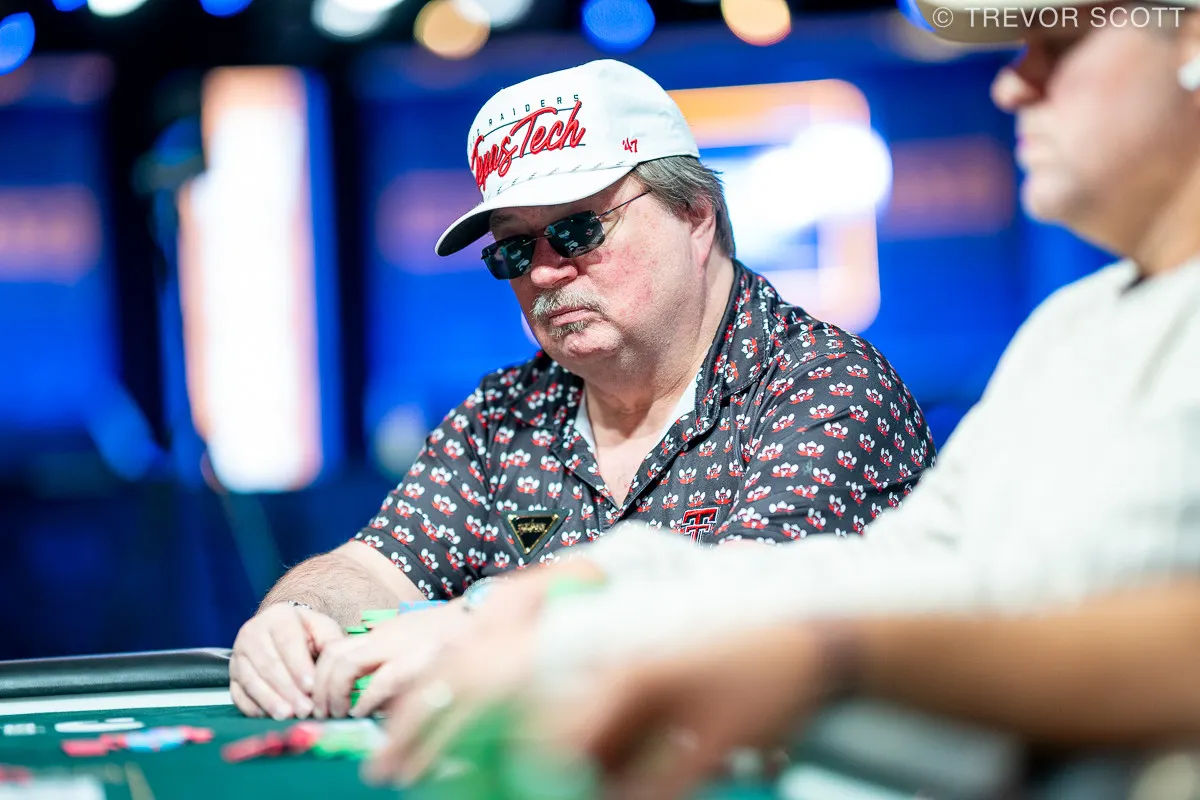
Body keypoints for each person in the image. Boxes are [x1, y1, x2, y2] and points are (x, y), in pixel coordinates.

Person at [364, 0, 1200, 790]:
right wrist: (586, 586)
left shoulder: (829, 379)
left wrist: (820, 652)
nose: (1012, 84)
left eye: (1059, 45)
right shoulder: (1072, 326)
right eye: (516, 251)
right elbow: (921, 565)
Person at [227, 59, 935, 721]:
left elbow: (745, 613)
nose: (542, 273)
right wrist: (299, 616)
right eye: (514, 247)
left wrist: (480, 628)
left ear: (696, 216)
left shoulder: (826, 387)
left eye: (576, 230)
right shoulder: (503, 416)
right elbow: (373, 568)